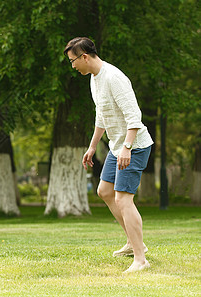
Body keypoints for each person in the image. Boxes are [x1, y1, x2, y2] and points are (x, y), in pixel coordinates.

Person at [64, 37, 154, 273]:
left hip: (133, 145)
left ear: (84, 56)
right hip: (117, 145)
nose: (72, 66)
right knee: (104, 191)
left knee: (123, 199)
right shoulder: (94, 79)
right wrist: (93, 146)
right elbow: (102, 115)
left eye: (73, 61)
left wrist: (127, 146)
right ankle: (135, 243)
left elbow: (134, 115)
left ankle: (141, 259)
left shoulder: (114, 78)